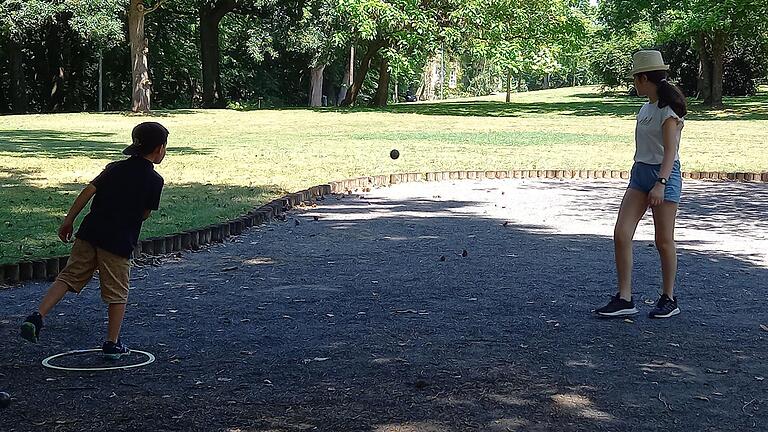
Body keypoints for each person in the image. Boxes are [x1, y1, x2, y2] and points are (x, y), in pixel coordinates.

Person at [20, 122, 167, 358]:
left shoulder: (114, 168)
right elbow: (145, 214)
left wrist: (68, 221)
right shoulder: (154, 180)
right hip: (118, 242)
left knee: (68, 276)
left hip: (89, 233)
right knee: (117, 292)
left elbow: (87, 192)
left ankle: (37, 316)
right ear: (160, 149)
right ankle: (112, 343)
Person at [595, 50, 687, 319]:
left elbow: (670, 152)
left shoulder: (668, 112)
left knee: (663, 240)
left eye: (635, 78)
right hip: (640, 174)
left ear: (643, 78)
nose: (634, 83)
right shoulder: (645, 108)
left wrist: (660, 183)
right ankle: (625, 298)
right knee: (622, 233)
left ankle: (669, 298)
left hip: (663, 176)